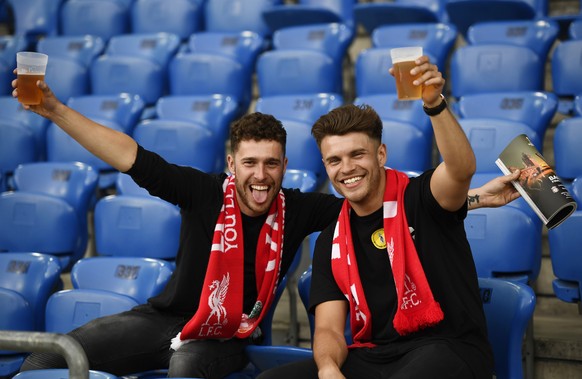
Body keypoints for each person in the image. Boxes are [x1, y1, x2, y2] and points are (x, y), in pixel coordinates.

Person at [11, 67, 518, 379]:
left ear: (285, 168)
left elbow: (388, 206)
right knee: (57, 352)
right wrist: (55, 110)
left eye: (271, 164)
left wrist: (467, 198)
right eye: (249, 164)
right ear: (231, 165)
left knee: (188, 366)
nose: (260, 175)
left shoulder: (302, 209)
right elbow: (128, 155)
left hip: (227, 336)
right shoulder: (202, 191)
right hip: (164, 318)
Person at [257, 56, 499, 379]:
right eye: (334, 160)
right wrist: (328, 368)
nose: (346, 168)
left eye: (357, 154)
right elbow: (328, 328)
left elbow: (461, 169)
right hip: (376, 357)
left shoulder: (422, 198)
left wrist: (435, 105)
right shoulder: (332, 238)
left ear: (380, 154)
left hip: (450, 349)